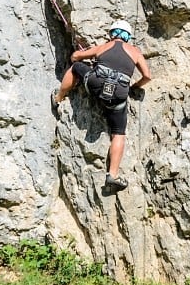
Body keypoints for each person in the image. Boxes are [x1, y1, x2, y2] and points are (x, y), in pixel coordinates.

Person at [51, 20, 151, 196]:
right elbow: (147, 76)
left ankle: (58, 98)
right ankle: (112, 175)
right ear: (128, 37)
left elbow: (75, 58)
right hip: (118, 95)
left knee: (76, 68)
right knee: (118, 133)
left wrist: (82, 55)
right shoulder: (135, 52)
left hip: (96, 85)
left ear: (112, 34)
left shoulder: (104, 46)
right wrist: (134, 87)